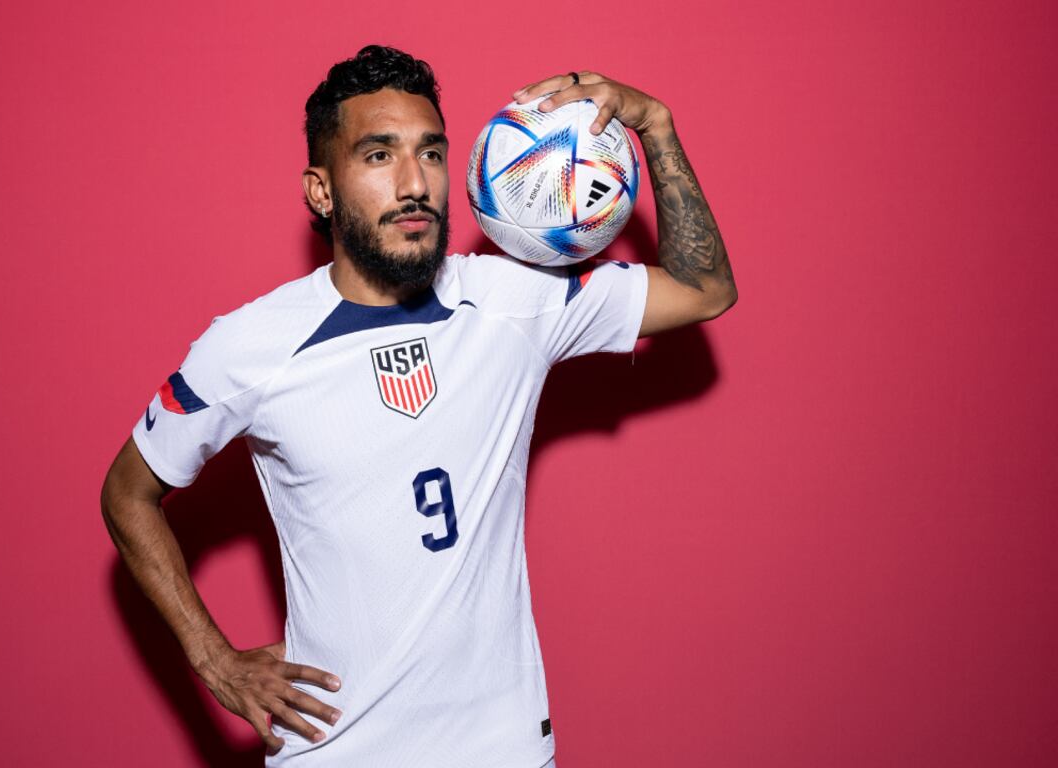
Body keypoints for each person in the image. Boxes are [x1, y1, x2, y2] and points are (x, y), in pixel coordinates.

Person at [101, 44, 736, 767]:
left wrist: (655, 126)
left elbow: (705, 289)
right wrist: (215, 661)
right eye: (378, 156)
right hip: (336, 752)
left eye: (431, 154)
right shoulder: (250, 345)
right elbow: (128, 492)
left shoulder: (510, 300)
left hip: (502, 749)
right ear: (321, 190)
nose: (413, 183)